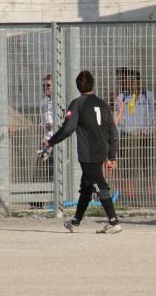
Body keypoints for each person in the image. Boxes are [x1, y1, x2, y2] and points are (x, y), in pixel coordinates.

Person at [43, 70, 122, 234]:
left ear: (78, 86)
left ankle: (114, 221)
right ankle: (75, 221)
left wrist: (51, 141)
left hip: (88, 153)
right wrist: (111, 156)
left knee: (99, 184)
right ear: (93, 84)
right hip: (102, 151)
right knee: (86, 186)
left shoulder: (77, 104)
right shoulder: (103, 104)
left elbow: (68, 128)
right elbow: (114, 133)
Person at [115, 68, 156, 199]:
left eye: (134, 81)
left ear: (140, 82)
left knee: (147, 161)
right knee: (128, 163)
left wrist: (146, 131)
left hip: (145, 134)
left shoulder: (148, 96)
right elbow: (119, 117)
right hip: (128, 135)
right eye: (130, 81)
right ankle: (130, 192)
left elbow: (154, 114)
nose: (132, 84)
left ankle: (151, 191)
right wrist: (127, 131)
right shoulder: (122, 97)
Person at [40, 74, 55, 181]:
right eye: (44, 86)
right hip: (48, 140)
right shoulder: (43, 102)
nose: (46, 88)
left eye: (48, 85)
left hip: (59, 139)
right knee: (49, 171)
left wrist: (54, 125)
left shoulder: (60, 101)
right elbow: (42, 121)